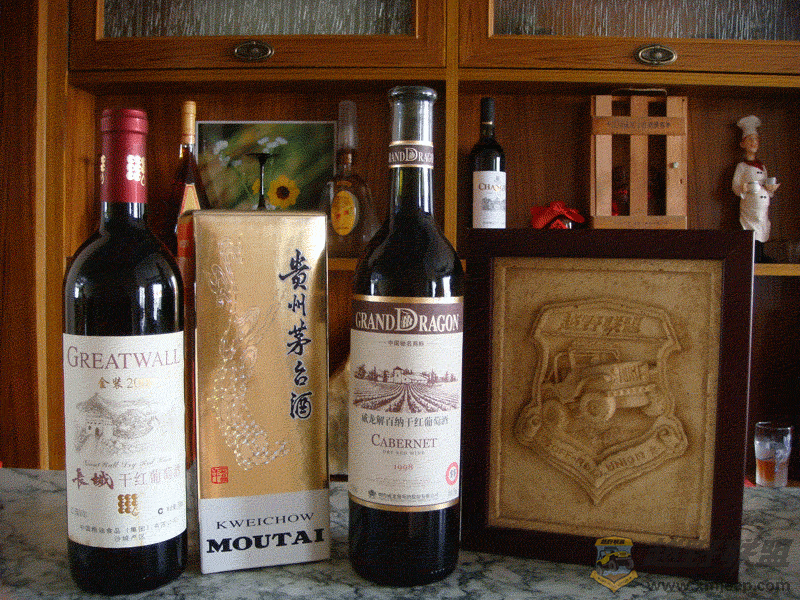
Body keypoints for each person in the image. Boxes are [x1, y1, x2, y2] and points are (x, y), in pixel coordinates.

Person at [732, 115, 779, 262]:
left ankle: (761, 254)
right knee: (751, 231)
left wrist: (770, 189)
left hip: (763, 209)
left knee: (762, 229)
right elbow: (735, 186)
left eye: (756, 140)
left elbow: (765, 185)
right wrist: (744, 187)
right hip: (750, 208)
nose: (754, 143)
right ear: (742, 144)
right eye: (750, 140)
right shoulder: (742, 166)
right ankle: (754, 256)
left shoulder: (762, 166)